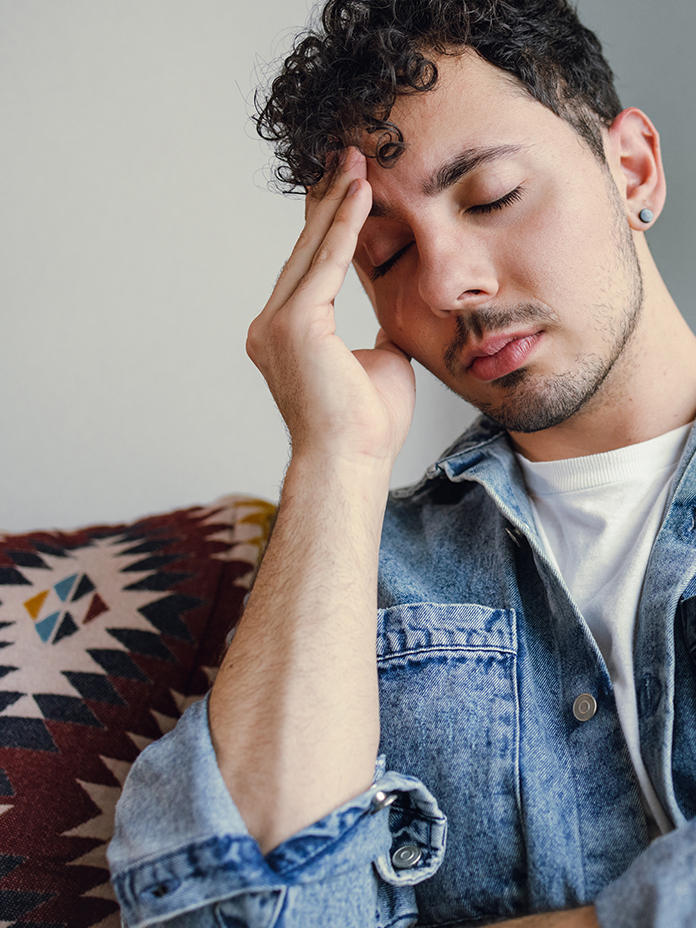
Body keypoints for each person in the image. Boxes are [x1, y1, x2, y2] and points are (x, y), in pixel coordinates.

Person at [108, 1, 696, 925]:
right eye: (384, 256)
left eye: (492, 195)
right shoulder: (363, 581)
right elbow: (233, 908)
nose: (444, 282)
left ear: (632, 170)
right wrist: (336, 456)